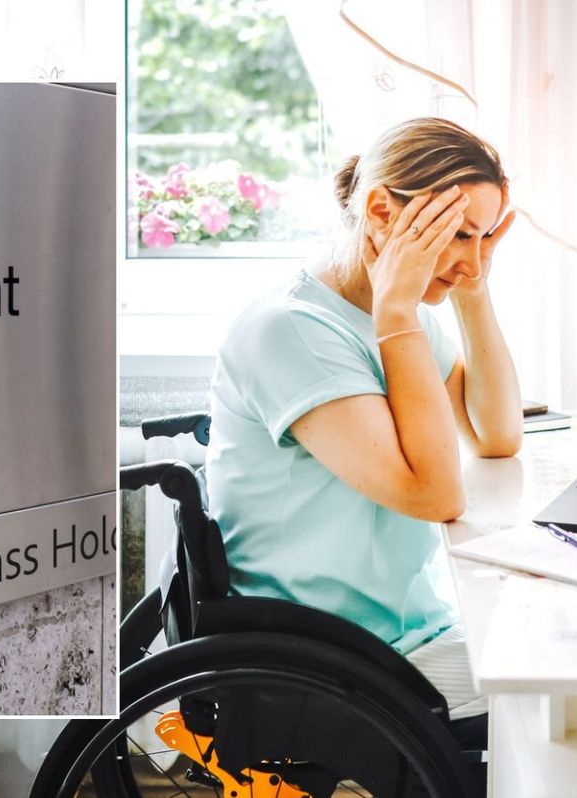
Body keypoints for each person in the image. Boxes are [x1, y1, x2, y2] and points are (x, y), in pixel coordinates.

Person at [204, 117, 522, 740]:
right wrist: (398, 310)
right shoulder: (292, 330)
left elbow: (496, 432)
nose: (469, 257)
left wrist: (473, 287)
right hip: (331, 653)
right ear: (381, 211)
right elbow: (437, 495)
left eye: (483, 237)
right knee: (556, 703)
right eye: (458, 233)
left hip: (400, 630)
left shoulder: (385, 314)